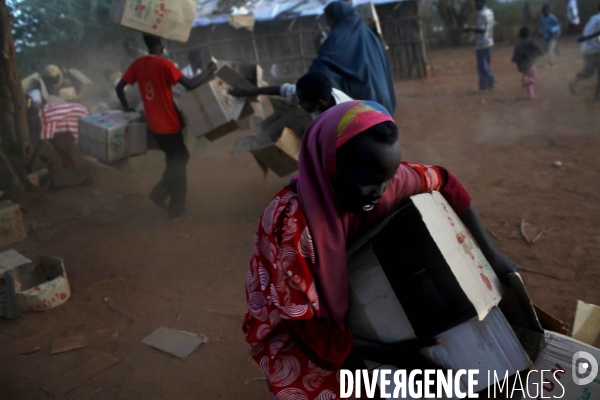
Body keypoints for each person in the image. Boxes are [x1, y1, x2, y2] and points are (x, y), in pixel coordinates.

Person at [243, 100, 519, 399]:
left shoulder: (389, 181)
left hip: (350, 286)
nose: (382, 190)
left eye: (388, 177)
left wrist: (490, 256)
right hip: (293, 313)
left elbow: (446, 182)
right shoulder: (293, 226)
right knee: (318, 382)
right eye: (370, 181)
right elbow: (304, 326)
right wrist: (397, 355)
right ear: (330, 165)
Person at [116, 34, 217, 219]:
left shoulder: (138, 64)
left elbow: (119, 87)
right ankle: (173, 205)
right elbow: (192, 85)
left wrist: (126, 108)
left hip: (153, 124)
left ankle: (164, 195)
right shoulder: (164, 64)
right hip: (169, 123)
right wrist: (209, 69)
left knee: (177, 159)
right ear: (161, 43)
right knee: (178, 163)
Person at [308, 2, 396, 115]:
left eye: (329, 19)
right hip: (383, 101)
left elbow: (323, 66)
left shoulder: (339, 37)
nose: (328, 23)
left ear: (336, 16)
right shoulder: (369, 35)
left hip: (364, 106)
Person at [228, 71, 352, 119]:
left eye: (302, 101)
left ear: (318, 103)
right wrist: (246, 92)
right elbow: (278, 90)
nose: (299, 102)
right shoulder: (310, 93)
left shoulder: (341, 116)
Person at [463, 0, 497, 91]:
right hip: (490, 42)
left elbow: (481, 30)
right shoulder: (490, 12)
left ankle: (491, 80)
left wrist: (469, 29)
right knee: (486, 65)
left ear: (481, 3)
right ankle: (487, 85)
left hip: (482, 44)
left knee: (482, 67)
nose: (475, 5)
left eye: (476, 3)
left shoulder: (481, 14)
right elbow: (494, 24)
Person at [569, 4, 600, 102]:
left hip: (587, 48)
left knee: (590, 71)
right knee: (591, 71)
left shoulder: (594, 18)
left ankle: (597, 97)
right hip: (594, 49)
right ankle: (597, 97)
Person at [512, 27, 543, 99]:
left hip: (522, 65)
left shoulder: (518, 44)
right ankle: (526, 80)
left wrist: (519, 66)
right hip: (530, 63)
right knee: (533, 77)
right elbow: (538, 49)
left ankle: (530, 95)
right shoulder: (530, 42)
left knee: (529, 80)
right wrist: (539, 53)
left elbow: (515, 57)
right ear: (528, 34)